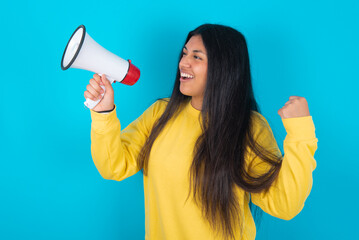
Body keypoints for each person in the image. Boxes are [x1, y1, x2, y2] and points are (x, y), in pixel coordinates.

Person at [84, 24, 318, 240]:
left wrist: (301, 134)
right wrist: (104, 112)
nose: (183, 63)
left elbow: (285, 204)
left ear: (223, 68)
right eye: (184, 53)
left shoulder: (249, 128)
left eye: (196, 57)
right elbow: (113, 166)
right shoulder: (160, 114)